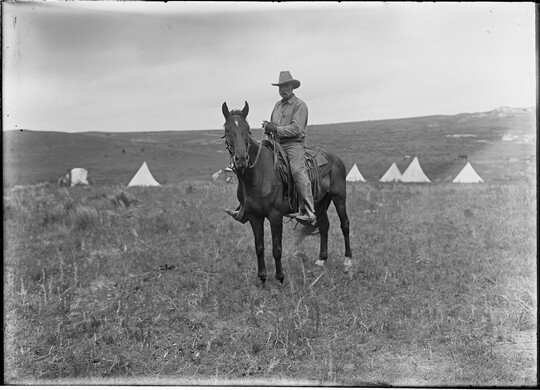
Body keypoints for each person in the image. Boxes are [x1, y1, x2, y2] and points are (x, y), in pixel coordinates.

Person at [226, 71, 317, 225]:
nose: (283, 89)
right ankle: (245, 207)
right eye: (280, 87)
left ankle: (309, 211)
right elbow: (274, 126)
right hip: (276, 143)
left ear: (292, 87)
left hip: (294, 145)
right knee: (255, 166)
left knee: (296, 170)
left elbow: (298, 129)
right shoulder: (277, 105)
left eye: (286, 86)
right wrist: (269, 128)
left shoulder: (299, 105)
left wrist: (276, 129)